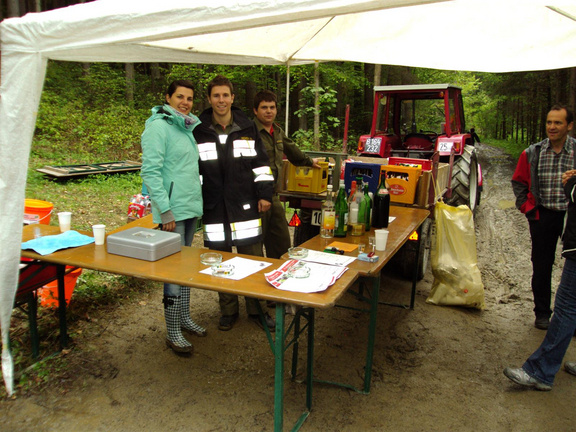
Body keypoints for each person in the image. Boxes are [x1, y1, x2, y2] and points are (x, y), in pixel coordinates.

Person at [193, 75, 275, 332]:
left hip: (246, 205)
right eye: (216, 95)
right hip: (214, 206)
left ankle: (258, 311)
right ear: (209, 99)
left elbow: (261, 165)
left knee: (252, 260)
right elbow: (193, 169)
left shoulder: (247, 127)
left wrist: (264, 194)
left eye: (225, 95)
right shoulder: (198, 130)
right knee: (220, 262)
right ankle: (228, 311)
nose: (221, 100)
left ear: (232, 98)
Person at [141, 80, 205, 354]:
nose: (185, 102)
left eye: (189, 98)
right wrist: (165, 210)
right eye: (180, 97)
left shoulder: (186, 126)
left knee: (186, 267)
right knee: (172, 271)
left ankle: (185, 317)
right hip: (172, 213)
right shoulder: (158, 127)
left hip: (189, 207)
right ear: (167, 98)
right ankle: (172, 330)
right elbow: (151, 171)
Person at [503, 169, 576, 391]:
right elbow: (519, 180)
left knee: (566, 307)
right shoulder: (535, 152)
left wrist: (571, 183)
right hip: (544, 219)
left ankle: (541, 371)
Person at [511, 104, 575, 329]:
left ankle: (571, 318)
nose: (552, 127)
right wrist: (526, 208)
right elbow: (518, 181)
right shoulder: (533, 152)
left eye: (558, 122)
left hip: (572, 216)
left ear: (569, 126)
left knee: (573, 267)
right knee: (542, 265)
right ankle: (542, 314)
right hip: (544, 214)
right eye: (549, 122)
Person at [253, 90, 321, 260]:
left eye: (272, 107)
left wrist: (310, 162)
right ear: (255, 110)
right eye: (264, 107)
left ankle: (278, 280)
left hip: (274, 196)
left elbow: (292, 151)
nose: (269, 111)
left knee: (282, 245)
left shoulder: (277, 131)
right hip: (254, 197)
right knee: (254, 249)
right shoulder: (248, 132)